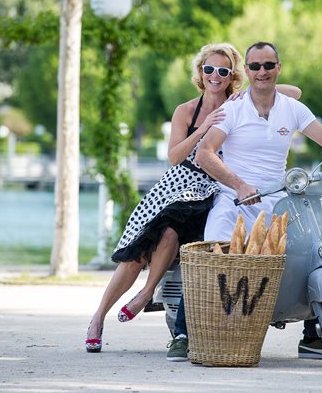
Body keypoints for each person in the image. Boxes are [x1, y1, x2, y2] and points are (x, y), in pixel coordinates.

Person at [86, 42, 301, 353]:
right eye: (209, 69)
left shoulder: (240, 102)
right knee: (139, 252)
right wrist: (203, 130)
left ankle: (147, 294)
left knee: (175, 233)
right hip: (182, 183)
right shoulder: (186, 110)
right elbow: (175, 157)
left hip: (217, 186)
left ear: (232, 76)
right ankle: (97, 319)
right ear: (200, 73)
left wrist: (260, 84)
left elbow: (294, 94)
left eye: (223, 71)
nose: (215, 76)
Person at [167, 41, 322, 362]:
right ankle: (184, 333)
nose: (262, 72)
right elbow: (205, 153)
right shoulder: (232, 109)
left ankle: (312, 337)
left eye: (268, 65)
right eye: (255, 66)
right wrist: (238, 185)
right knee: (215, 253)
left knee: (312, 250)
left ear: (277, 68)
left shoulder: (292, 109)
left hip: (279, 197)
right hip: (233, 198)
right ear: (248, 71)